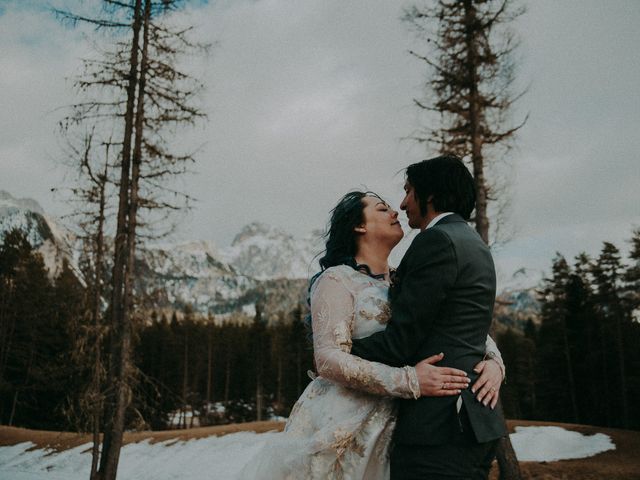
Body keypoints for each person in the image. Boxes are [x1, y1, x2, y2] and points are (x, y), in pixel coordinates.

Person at [237, 186, 504, 479]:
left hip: (403, 426)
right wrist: (408, 380)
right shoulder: (337, 279)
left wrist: (494, 362)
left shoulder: (409, 278)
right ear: (359, 225)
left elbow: (456, 323)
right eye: (382, 208)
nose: (396, 211)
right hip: (345, 420)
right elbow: (326, 359)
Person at [350, 155, 507, 479]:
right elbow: (458, 324)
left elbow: (402, 340)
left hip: (439, 426)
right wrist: (494, 360)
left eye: (409, 191)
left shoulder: (436, 241)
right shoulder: (473, 243)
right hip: (473, 420)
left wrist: (342, 352)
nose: (403, 203)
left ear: (430, 195)